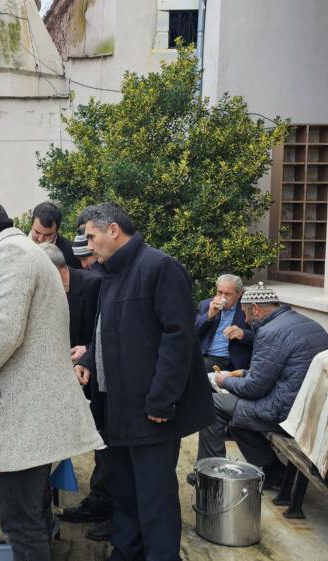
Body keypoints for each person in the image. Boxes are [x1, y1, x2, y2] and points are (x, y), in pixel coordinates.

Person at [0, 193, 102, 561]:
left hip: (26, 416)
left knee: (19, 520)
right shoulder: (22, 251)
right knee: (34, 512)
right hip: (32, 412)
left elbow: (2, 332)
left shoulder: (9, 254)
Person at [74, 202, 213, 561]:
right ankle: (126, 551)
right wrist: (90, 360)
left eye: (92, 236)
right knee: (124, 491)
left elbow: (179, 338)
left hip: (151, 408)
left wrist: (162, 399)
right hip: (117, 405)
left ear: (113, 230)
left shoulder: (159, 267)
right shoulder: (110, 273)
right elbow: (108, 330)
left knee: (155, 497)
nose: (89, 245)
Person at [196, 283, 328, 485]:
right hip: (307, 406)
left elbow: (253, 389)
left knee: (212, 404)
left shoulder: (270, 332)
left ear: (256, 309)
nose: (246, 320)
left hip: (284, 411)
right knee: (236, 414)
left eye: (245, 313)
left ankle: (211, 475)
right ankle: (273, 471)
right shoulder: (308, 324)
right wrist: (243, 373)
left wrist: (224, 380)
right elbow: (281, 371)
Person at [39, 243, 112, 540]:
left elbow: (106, 330)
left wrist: (87, 352)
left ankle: (104, 503)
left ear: (58, 269)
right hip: (68, 372)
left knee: (106, 438)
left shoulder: (94, 284)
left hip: (97, 374)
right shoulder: (48, 292)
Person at [195, 274, 254, 373]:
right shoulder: (206, 305)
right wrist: (209, 316)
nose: (223, 297)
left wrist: (243, 334)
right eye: (219, 292)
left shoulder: (247, 308)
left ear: (239, 294)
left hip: (227, 359)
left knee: (195, 368)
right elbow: (193, 332)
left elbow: (262, 337)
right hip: (203, 354)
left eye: (228, 294)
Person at [29, 201, 81, 269]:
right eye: (37, 232)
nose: (40, 239)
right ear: (31, 225)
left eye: (47, 235)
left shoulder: (72, 253)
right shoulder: (18, 246)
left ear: (58, 230)